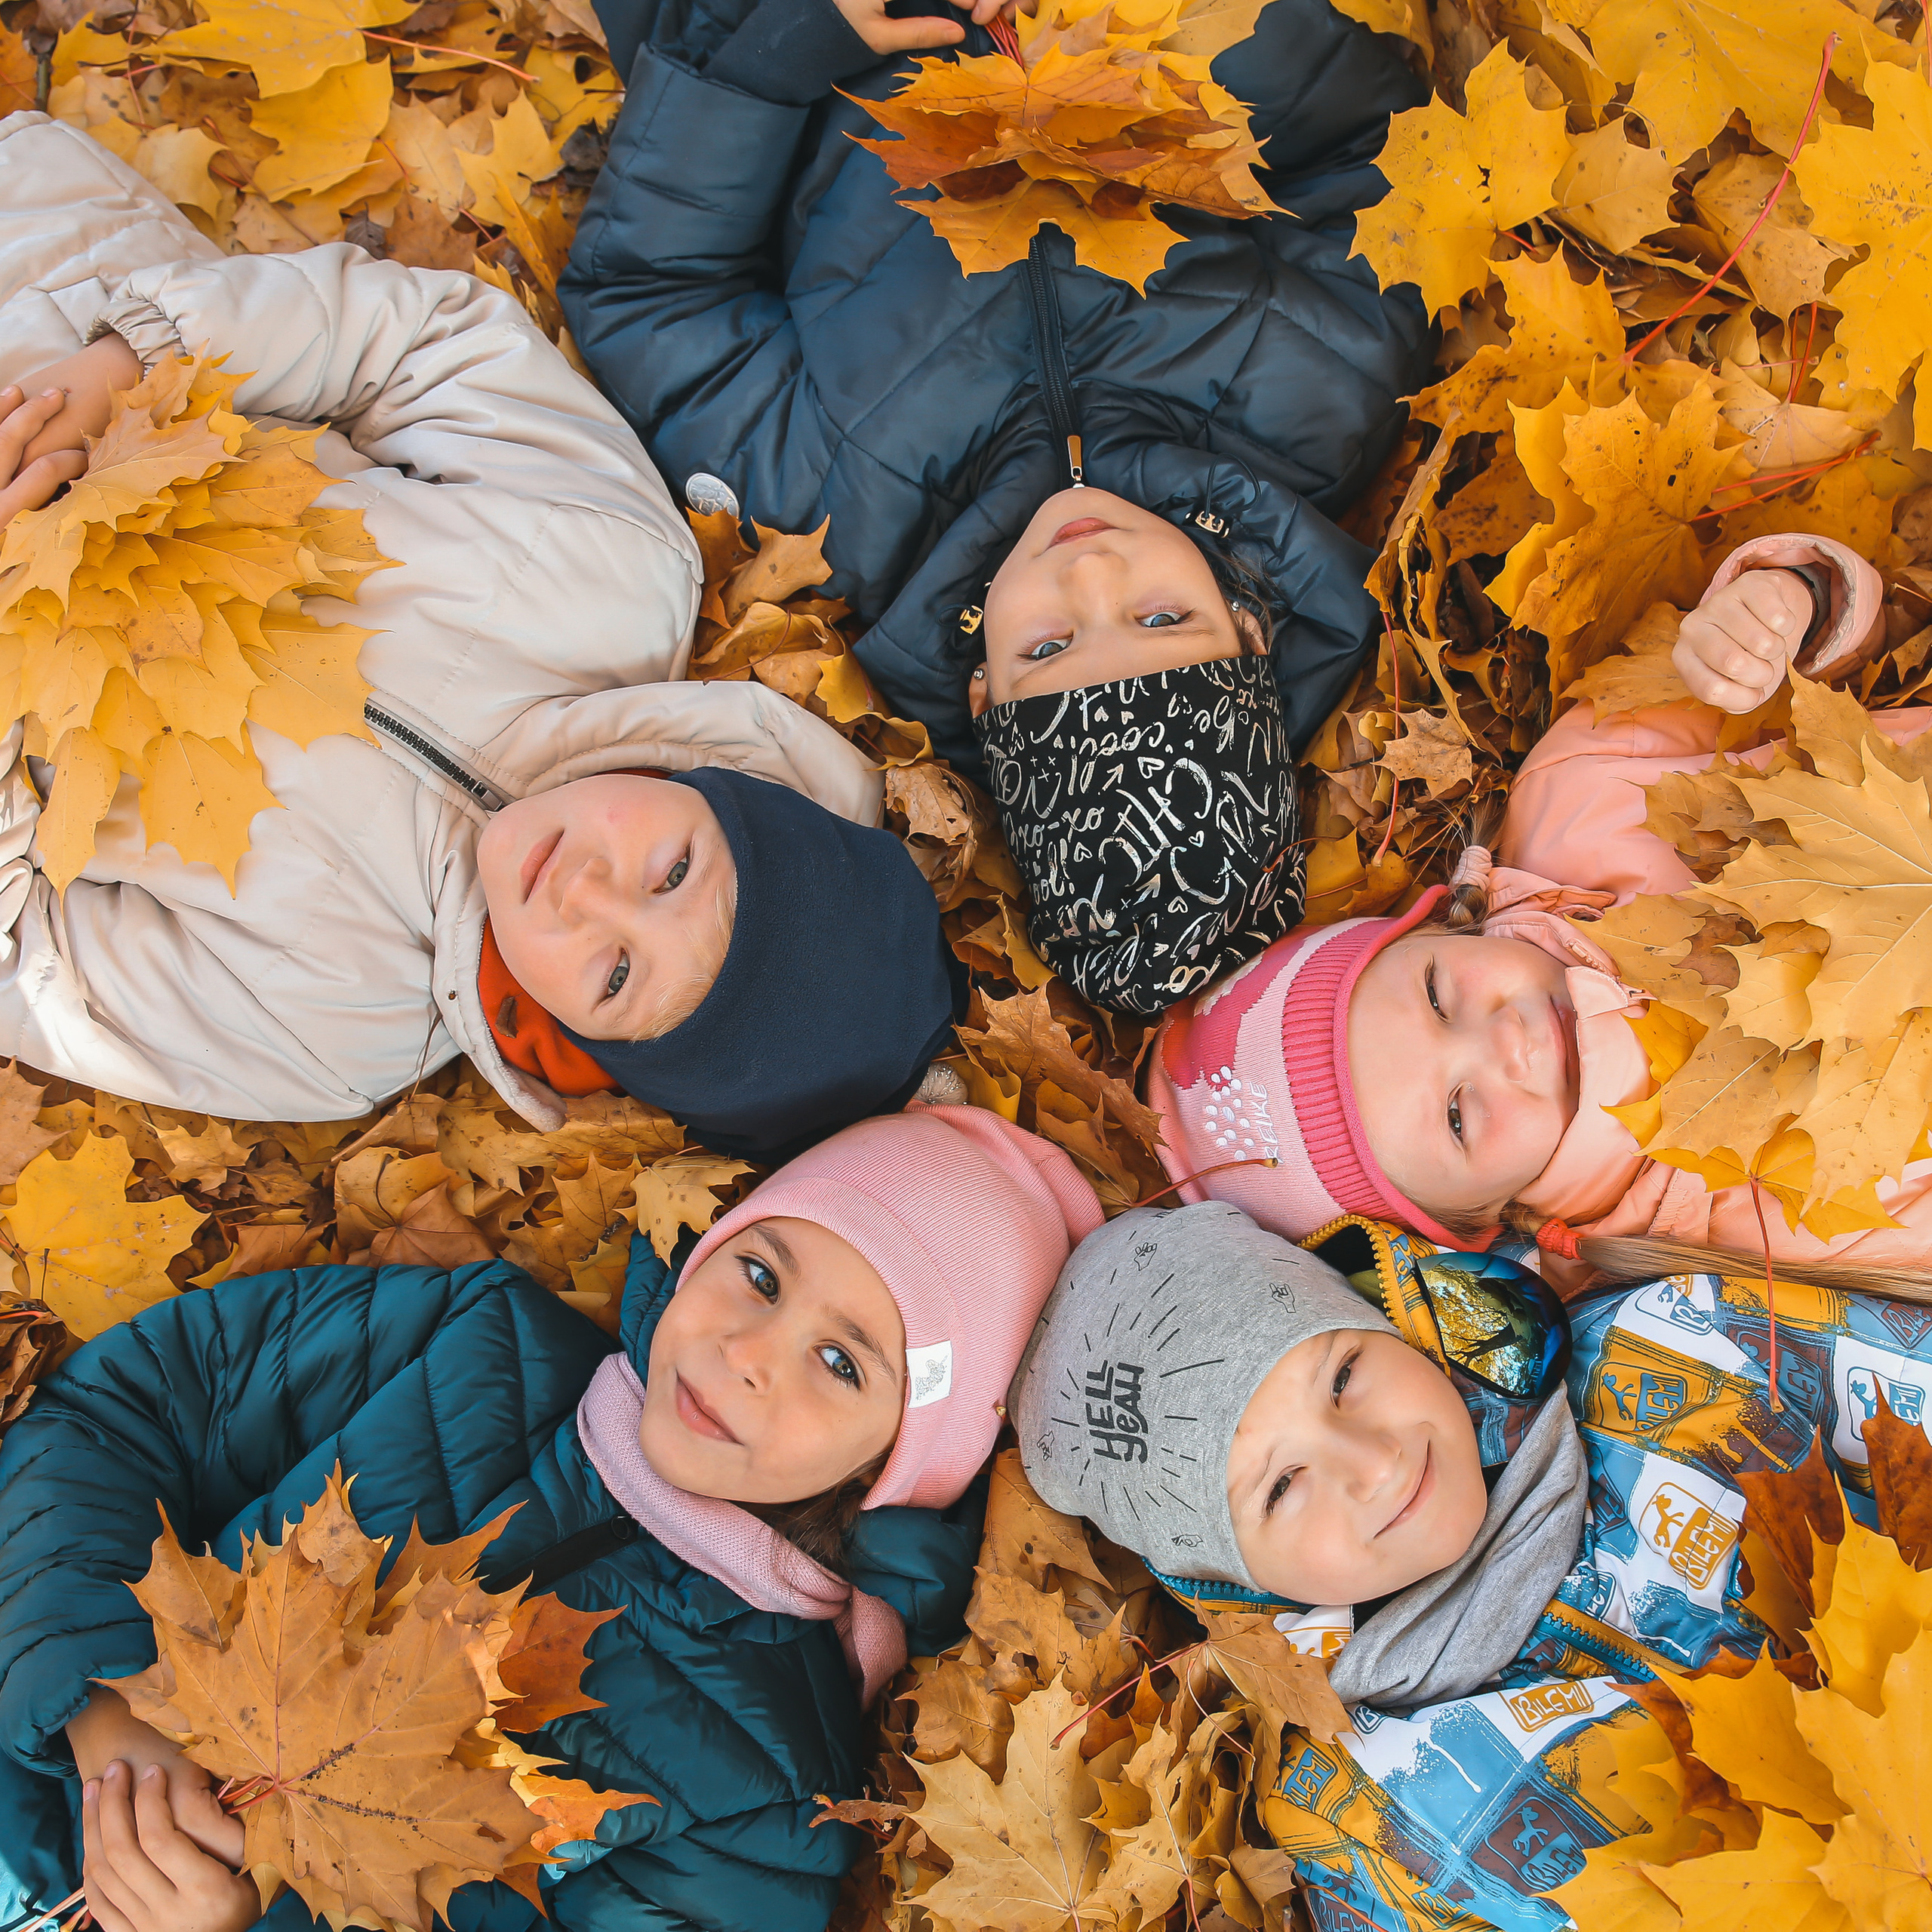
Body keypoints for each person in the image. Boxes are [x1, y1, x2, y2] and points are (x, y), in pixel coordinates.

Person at [0, 112, 958, 1160]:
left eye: (616, 975)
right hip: (48, 286)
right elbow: (411, 348)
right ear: (727, 794)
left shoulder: (331, 1029)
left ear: (587, 1047)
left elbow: (27, 958)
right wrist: (133, 366)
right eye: (674, 871)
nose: (586, 896)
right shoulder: (611, 575)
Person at [0, 1103, 1105, 1932]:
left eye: (839, 1361)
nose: (747, 1355)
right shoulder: (473, 1342)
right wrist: (99, 1715)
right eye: (762, 1274)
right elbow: (119, 1412)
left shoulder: (770, 1797)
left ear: (901, 1460)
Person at [558, 0, 1433, 1014]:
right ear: (1247, 629)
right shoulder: (1322, 395)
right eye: (1161, 620)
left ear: (982, 692)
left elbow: (654, 295)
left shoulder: (826, 512)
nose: (1089, 572)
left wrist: (787, 42)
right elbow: (1375, 152)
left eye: (1049, 647)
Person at [1012, 1197, 1932, 1930]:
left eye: (1341, 1377)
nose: (1372, 1461)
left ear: (1394, 1319)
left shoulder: (1678, 1348)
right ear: (1232, 1578)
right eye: (1282, 1485)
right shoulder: (1368, 1807)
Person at [1146, 531, 1932, 1280]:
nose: (1503, 1040)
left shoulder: (1585, 792)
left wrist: (1786, 599)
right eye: (1458, 1115)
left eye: (1437, 994)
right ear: (1478, 1220)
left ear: (1435, 925)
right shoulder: (1742, 1243)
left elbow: (1854, 654)